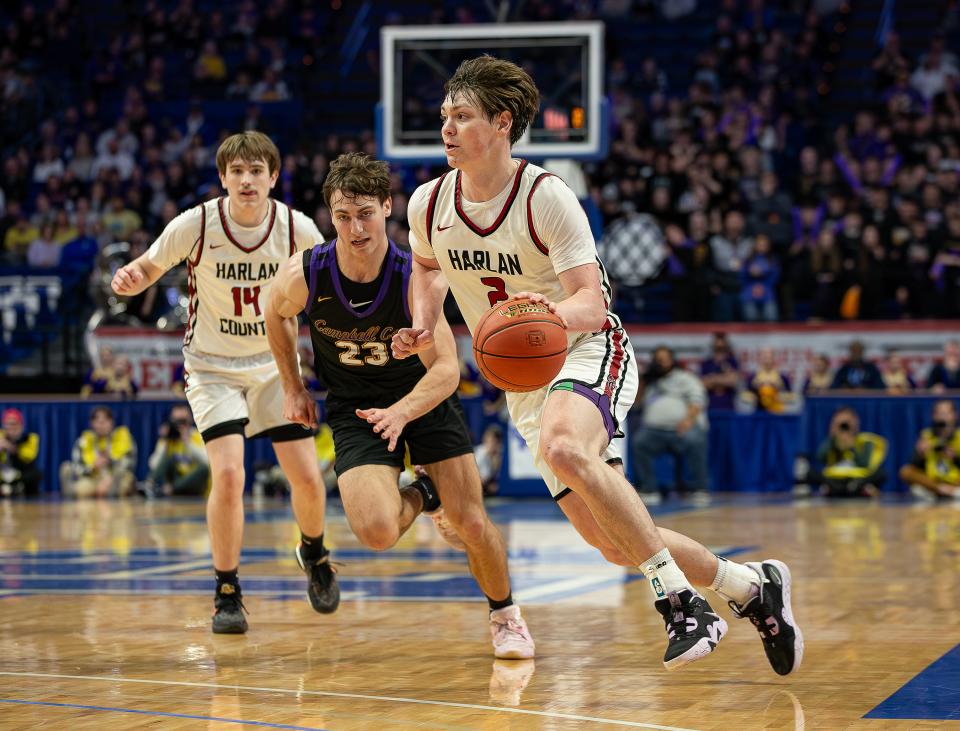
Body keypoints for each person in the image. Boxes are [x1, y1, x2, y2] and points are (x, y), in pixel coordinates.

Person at [394, 55, 802, 675]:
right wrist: (425, 319)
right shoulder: (428, 204)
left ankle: (679, 602)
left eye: (463, 115)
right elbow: (426, 266)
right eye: (444, 115)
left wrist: (549, 314)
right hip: (524, 382)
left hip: (586, 347)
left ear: (502, 123)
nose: (446, 127)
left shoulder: (546, 196)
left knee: (563, 446)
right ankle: (750, 587)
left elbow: (591, 300)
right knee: (612, 542)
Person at [265, 152, 535, 659]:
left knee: (472, 525)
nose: (355, 227)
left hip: (422, 403)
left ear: (388, 207)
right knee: (377, 530)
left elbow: (447, 371)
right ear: (329, 215)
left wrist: (404, 412)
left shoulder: (414, 275)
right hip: (356, 408)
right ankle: (426, 495)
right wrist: (293, 385)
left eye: (365, 213)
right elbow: (272, 311)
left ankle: (506, 615)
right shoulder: (308, 273)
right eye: (343, 216)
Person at [110, 131, 338, 634]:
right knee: (229, 475)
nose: (246, 179)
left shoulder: (296, 228)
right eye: (236, 171)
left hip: (274, 365)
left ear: (273, 178)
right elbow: (150, 264)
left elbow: (331, 287)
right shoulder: (198, 223)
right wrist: (131, 277)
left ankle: (315, 553)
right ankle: (227, 591)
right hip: (212, 366)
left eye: (256, 170)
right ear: (223, 179)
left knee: (306, 475)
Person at [633, 347, 710, 499]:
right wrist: (642, 382)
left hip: (681, 428)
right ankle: (649, 489)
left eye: (663, 359)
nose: (660, 362)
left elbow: (698, 399)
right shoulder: (650, 381)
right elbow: (636, 404)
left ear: (672, 361)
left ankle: (699, 488)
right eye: (657, 359)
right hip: (655, 431)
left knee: (695, 440)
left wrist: (688, 420)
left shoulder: (684, 378)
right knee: (640, 442)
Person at [59, 406, 137, 498]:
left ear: (112, 422)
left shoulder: (123, 437)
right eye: (98, 422)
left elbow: (130, 465)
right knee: (82, 489)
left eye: (105, 421)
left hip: (117, 477)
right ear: (92, 423)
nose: (101, 425)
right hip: (93, 478)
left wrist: (110, 462)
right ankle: (70, 491)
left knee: (123, 483)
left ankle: (114, 491)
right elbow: (78, 467)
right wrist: (93, 467)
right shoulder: (83, 441)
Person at [809, 406, 887, 497]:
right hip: (836, 477)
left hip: (857, 477)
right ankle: (852, 488)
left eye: (847, 423)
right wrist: (832, 438)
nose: (844, 427)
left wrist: (852, 446)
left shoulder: (864, 440)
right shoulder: (832, 441)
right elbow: (820, 457)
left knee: (881, 473)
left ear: (855, 423)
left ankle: (842, 488)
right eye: (841, 423)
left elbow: (864, 464)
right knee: (810, 473)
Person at [141, 404, 210, 497]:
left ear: (191, 420)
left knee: (203, 468)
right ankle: (149, 485)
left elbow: (207, 464)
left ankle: (169, 490)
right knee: (168, 457)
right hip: (175, 479)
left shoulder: (197, 436)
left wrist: (188, 443)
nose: (180, 425)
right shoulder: (168, 440)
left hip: (193, 483)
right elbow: (153, 465)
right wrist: (165, 443)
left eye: (183, 421)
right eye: (176, 422)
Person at [898, 400, 960, 499]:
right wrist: (920, 454)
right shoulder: (926, 435)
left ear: (955, 415)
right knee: (905, 471)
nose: (943, 417)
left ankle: (938, 492)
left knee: (918, 489)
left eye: (947, 413)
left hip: (955, 480)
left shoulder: (959, 435)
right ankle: (942, 490)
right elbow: (913, 464)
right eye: (939, 413)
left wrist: (956, 458)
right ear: (934, 416)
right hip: (933, 480)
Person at [0, 408, 42, 497]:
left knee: (36, 474)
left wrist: (12, 447)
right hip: (3, 472)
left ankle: (15, 488)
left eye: (14, 424)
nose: (11, 427)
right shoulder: (1, 436)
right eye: (8, 424)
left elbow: (29, 457)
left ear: (21, 425)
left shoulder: (31, 438)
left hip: (21, 472)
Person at [699, 332, 740, 410]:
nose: (720, 351)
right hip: (710, 407)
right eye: (717, 349)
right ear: (713, 347)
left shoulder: (732, 362)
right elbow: (702, 384)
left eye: (722, 349)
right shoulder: (706, 363)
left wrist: (712, 378)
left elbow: (733, 381)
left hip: (728, 407)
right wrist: (724, 379)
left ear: (727, 347)